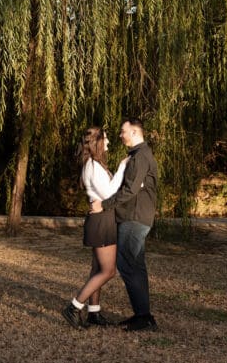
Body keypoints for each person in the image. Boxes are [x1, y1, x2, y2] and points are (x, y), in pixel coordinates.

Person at [90, 118, 158, 332]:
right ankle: (143, 316)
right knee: (136, 266)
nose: (120, 135)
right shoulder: (138, 156)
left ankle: (143, 317)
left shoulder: (140, 157)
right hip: (134, 218)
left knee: (128, 265)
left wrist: (104, 205)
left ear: (135, 132)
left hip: (134, 218)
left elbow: (129, 191)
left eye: (123, 131)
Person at [62, 127, 127, 330]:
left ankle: (94, 312)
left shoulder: (95, 165)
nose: (108, 143)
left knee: (98, 269)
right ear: (96, 143)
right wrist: (123, 167)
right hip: (101, 221)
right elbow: (108, 193)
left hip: (102, 219)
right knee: (108, 271)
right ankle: (73, 307)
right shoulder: (92, 166)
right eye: (105, 140)